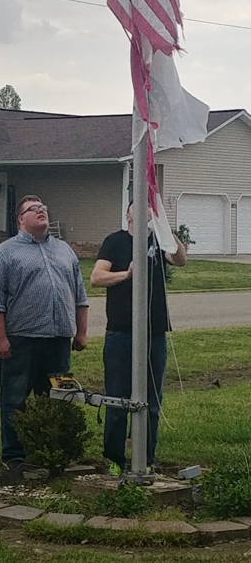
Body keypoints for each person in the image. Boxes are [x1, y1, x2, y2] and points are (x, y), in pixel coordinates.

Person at [0, 194, 89, 470]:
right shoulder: (6, 253)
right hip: (21, 339)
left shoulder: (65, 250)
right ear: (20, 219)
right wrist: (0, 338)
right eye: (33, 209)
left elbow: (80, 295)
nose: (41, 211)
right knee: (15, 398)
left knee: (58, 397)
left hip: (58, 339)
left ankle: (51, 452)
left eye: (43, 207)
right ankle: (15, 456)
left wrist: (81, 332)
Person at [90, 201, 187, 475]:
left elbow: (180, 259)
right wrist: (127, 274)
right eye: (139, 207)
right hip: (121, 333)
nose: (145, 210)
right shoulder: (116, 241)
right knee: (118, 400)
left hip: (154, 333)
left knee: (152, 403)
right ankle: (115, 459)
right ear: (128, 214)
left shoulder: (159, 241)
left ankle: (146, 459)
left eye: (149, 207)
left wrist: (166, 229)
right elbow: (96, 278)